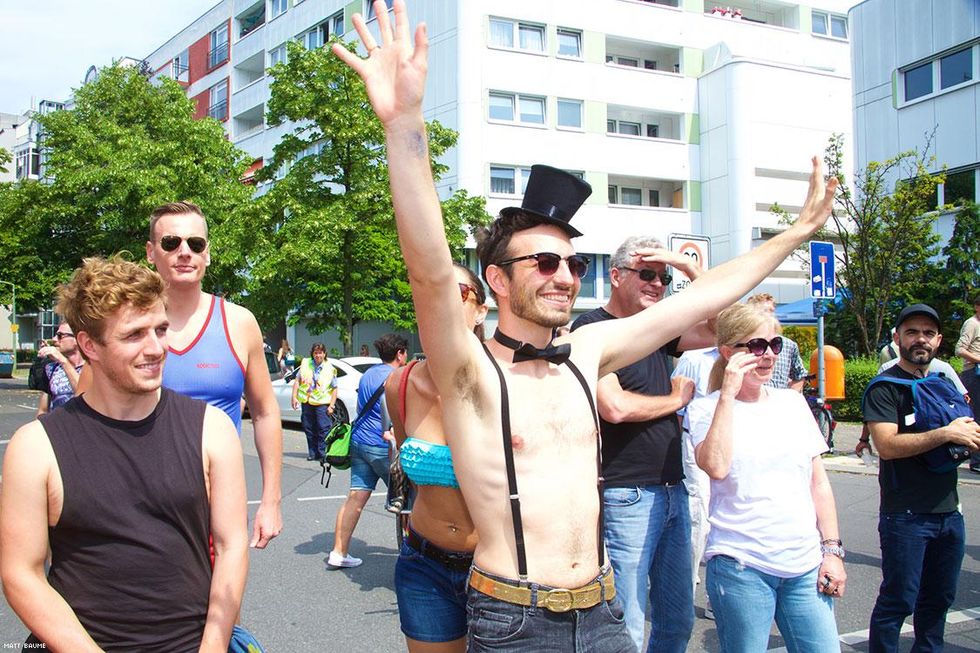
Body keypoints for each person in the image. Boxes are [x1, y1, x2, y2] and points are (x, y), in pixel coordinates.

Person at [331, 2, 836, 648]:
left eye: (573, 263)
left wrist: (793, 235)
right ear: (497, 280)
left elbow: (700, 299)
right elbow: (429, 270)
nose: (566, 275)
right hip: (514, 616)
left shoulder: (586, 349)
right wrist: (404, 123)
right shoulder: (469, 370)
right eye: (544, 262)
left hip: (601, 610)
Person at [0, 256, 248, 650]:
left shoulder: (212, 429)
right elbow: (21, 573)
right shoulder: (36, 447)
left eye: (161, 330)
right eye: (134, 335)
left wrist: (214, 645)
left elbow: (232, 545)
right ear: (89, 346)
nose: (156, 348)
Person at [571, 236, 712, 653]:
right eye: (646, 274)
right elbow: (613, 406)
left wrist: (687, 267)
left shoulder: (655, 331)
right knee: (628, 622)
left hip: (672, 488)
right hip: (625, 492)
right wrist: (676, 399)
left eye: (663, 278)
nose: (657, 284)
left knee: (677, 620)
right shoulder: (591, 329)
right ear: (616, 276)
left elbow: (724, 328)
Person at [688, 303, 845, 653]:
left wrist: (832, 551)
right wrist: (727, 394)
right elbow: (715, 466)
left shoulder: (792, 403)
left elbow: (818, 483)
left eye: (775, 344)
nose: (769, 355)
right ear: (728, 352)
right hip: (741, 567)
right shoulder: (706, 408)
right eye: (757, 346)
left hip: (805, 565)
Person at [146, 200, 282, 549]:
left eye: (196, 244)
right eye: (171, 243)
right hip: (140, 505)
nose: (185, 252)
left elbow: (265, 413)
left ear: (207, 254)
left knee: (223, 587)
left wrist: (271, 501)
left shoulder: (239, 322)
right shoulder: (128, 324)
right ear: (150, 252)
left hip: (218, 510)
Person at [864, 303, 980, 652]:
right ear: (897, 337)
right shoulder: (884, 388)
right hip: (906, 515)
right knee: (898, 601)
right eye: (912, 332)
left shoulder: (943, 383)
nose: (921, 339)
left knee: (938, 601)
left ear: (939, 340)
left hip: (949, 513)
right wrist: (946, 433)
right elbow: (886, 446)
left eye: (928, 333)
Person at [385, 264, 487, 653]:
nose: (440, 298)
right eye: (429, 290)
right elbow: (407, 458)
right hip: (423, 564)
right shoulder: (400, 384)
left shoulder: (512, 380)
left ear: (481, 310)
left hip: (497, 569)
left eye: (456, 291)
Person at [328, 333, 407, 569]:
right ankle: (412, 557)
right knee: (407, 500)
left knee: (355, 498)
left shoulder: (368, 374)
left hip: (359, 442)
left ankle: (338, 552)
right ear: (400, 354)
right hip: (382, 445)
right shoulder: (397, 377)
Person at [672, 346, 720, 618]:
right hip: (695, 444)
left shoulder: (757, 357)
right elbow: (677, 409)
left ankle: (717, 598)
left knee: (725, 522)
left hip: (735, 447)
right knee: (699, 519)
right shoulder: (694, 359)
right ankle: (684, 594)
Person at [746, 293, 807, 391]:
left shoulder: (788, 345)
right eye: (764, 311)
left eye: (772, 311)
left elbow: (799, 375)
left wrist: (790, 396)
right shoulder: (743, 344)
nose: (769, 315)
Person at [292, 342, 337, 461]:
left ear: (324, 354)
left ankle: (323, 453)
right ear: (312, 354)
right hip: (307, 401)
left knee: (323, 428)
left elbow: (334, 388)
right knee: (309, 427)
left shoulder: (330, 368)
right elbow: (297, 381)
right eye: (316, 353)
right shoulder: (306, 364)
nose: (318, 355)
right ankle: (312, 453)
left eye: (320, 353)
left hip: (322, 403)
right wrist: (294, 397)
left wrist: (332, 405)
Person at [35, 322, 84, 416]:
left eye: (60, 336)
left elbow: (83, 395)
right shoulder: (51, 369)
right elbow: (43, 410)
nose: (54, 339)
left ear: (77, 339)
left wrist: (63, 361)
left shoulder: (92, 368)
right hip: (57, 424)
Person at [955, 294, 980, 472]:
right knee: (977, 417)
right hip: (974, 373)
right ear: (977, 306)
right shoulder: (972, 323)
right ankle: (976, 461)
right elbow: (959, 349)